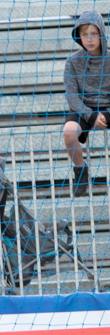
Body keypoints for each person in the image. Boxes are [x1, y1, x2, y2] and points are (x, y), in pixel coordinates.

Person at [63, 11, 109, 197]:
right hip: (82, 108)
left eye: (94, 34)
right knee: (69, 132)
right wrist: (90, 115)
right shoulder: (72, 61)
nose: (89, 39)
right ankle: (80, 171)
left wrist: (105, 113)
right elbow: (71, 95)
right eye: (84, 34)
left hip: (107, 107)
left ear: (102, 34)